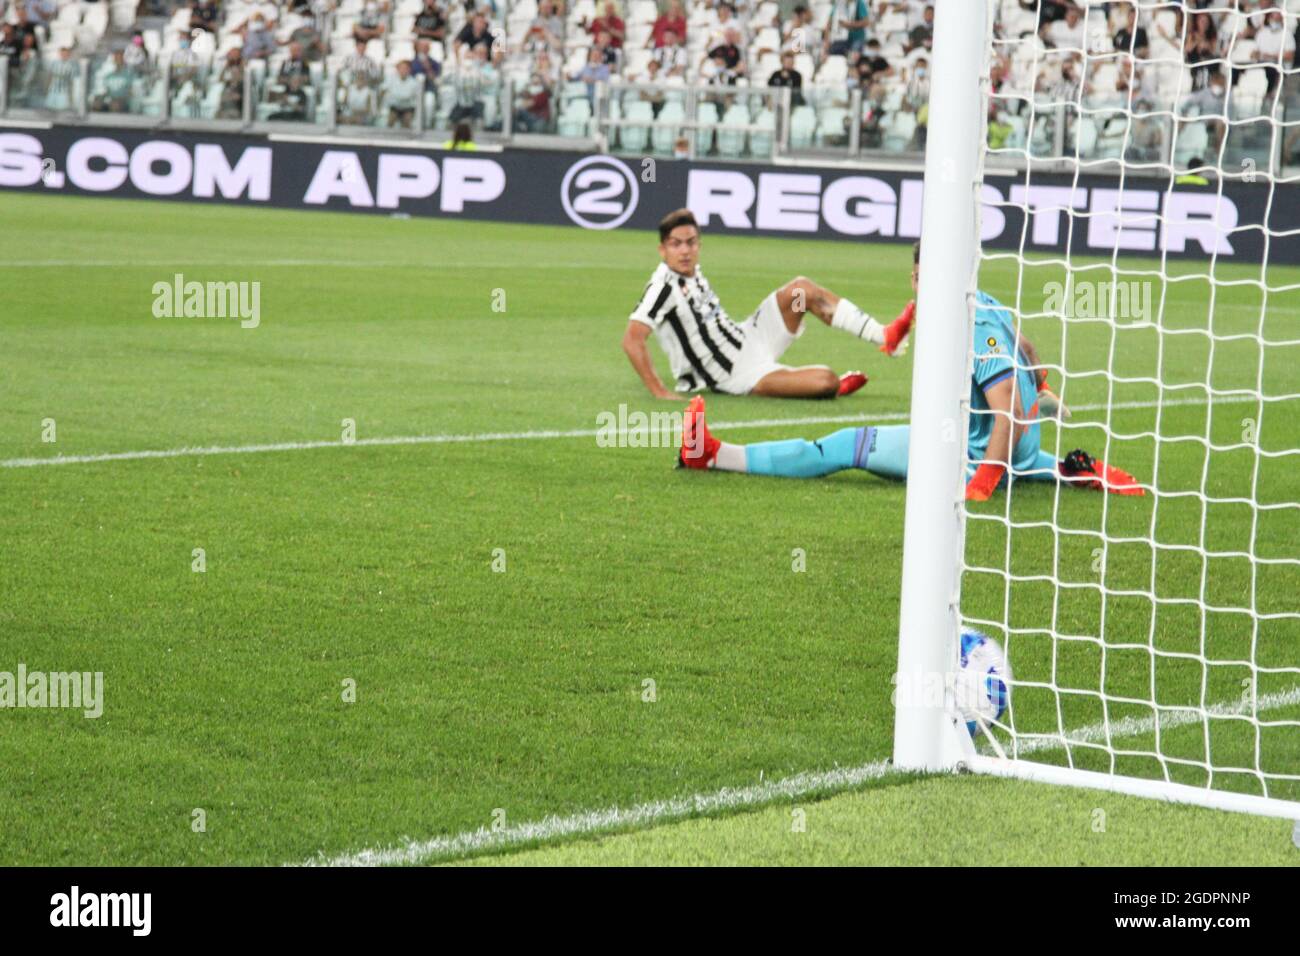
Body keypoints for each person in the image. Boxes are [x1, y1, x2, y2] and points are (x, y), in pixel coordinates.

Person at [676, 242, 1143, 501]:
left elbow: (1009, 413)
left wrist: (981, 484)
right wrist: (1043, 389)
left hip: (965, 455)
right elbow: (1028, 347)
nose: (922, 284)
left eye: (931, 275)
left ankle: (714, 456)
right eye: (919, 275)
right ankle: (1069, 469)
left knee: (840, 446)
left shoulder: (974, 323)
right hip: (1006, 450)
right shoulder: (981, 303)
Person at [622, 208, 913, 401]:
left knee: (801, 292)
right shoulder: (662, 288)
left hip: (751, 336)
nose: (685, 251)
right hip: (737, 375)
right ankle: (834, 386)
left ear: (699, 244)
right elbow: (632, 339)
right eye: (676, 244)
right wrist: (658, 391)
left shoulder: (690, 273)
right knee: (825, 380)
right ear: (662, 249)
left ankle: (884, 336)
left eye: (691, 242)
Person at [382, 59, 422, 127]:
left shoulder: (414, 82)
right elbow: (383, 89)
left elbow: (407, 96)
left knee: (407, 120)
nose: (403, 70)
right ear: (398, 69)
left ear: (409, 70)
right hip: (395, 107)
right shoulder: (391, 79)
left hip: (408, 108)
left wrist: (394, 95)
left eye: (406, 68)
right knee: (390, 120)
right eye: (401, 68)